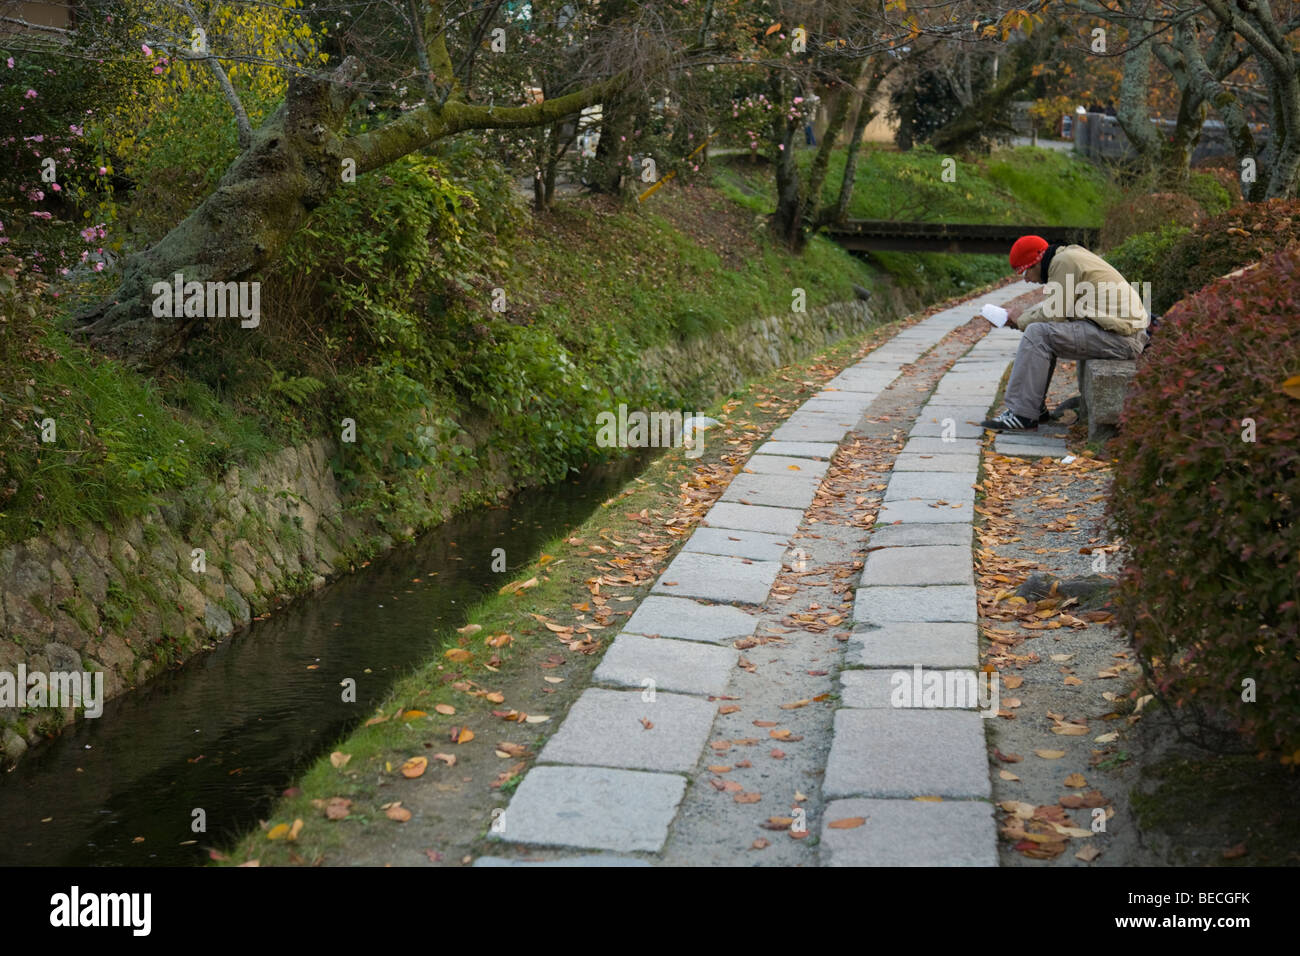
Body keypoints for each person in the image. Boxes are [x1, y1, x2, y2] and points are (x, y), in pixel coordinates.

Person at [982, 235, 1150, 432]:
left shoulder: (1063, 262)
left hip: (1123, 338)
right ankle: (1032, 408)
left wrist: (1020, 321)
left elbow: (1054, 314)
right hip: (1120, 333)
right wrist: (1020, 318)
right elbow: (1056, 306)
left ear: (1037, 262)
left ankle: (1022, 415)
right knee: (1042, 332)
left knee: (1038, 334)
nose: (1026, 280)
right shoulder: (1067, 257)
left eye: (1025, 272)